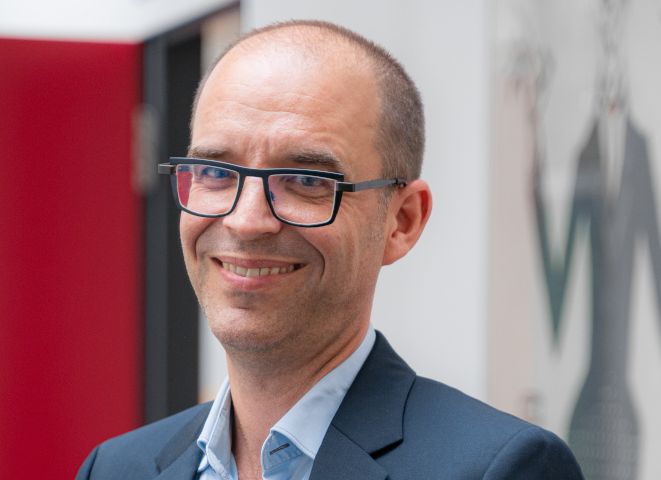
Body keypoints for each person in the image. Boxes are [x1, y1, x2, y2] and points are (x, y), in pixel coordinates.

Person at [76, 20, 584, 480]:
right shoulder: (116, 469)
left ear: (402, 221)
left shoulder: (501, 469)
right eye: (215, 172)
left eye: (306, 180)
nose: (246, 221)